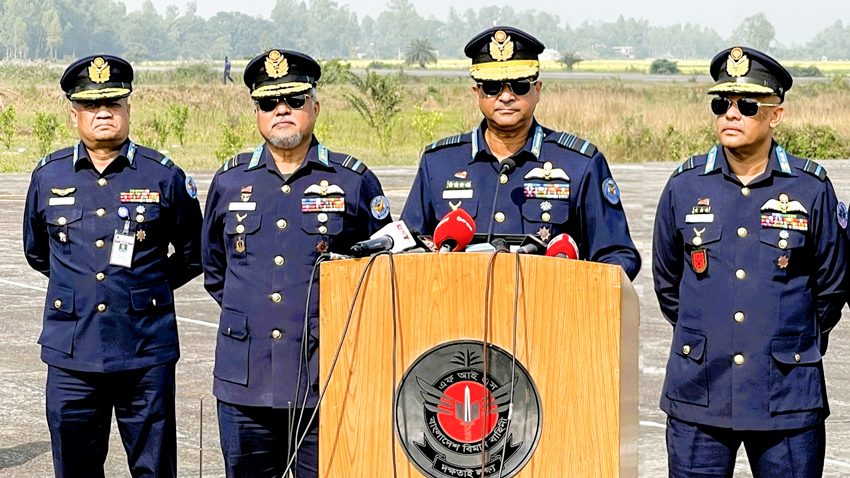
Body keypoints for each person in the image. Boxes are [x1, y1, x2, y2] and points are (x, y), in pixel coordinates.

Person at [653, 46, 847, 477]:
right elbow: (668, 283)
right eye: (721, 104)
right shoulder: (684, 186)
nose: (731, 114)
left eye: (747, 105)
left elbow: (832, 287)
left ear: (775, 114)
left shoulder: (810, 188)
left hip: (786, 397)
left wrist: (786, 339)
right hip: (700, 392)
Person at [201, 49, 392, 477]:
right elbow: (216, 271)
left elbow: (380, 269)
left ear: (315, 107)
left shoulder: (353, 180)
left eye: (294, 100)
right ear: (257, 112)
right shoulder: (230, 181)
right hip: (245, 380)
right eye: (269, 103)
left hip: (324, 376)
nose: (281, 110)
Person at [22, 54, 203, 477]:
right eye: (90, 105)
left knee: (154, 468)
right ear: (74, 115)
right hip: (72, 352)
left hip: (144, 350)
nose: (102, 112)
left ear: (127, 108)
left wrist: (145, 287)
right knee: (74, 467)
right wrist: (81, 286)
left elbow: (194, 254)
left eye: (113, 103)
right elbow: (37, 252)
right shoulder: (48, 176)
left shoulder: (163, 176)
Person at [400, 26, 640, 279]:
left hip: (550, 312)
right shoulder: (439, 163)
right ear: (477, 93)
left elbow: (616, 256)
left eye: (519, 86)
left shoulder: (580, 164)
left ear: (537, 90)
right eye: (492, 87)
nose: (505, 96)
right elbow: (408, 245)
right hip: (458, 310)